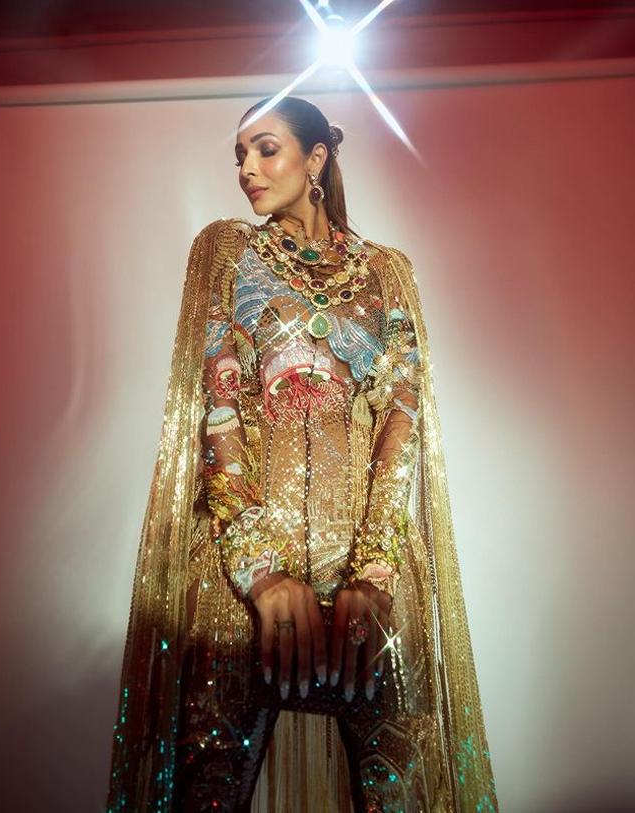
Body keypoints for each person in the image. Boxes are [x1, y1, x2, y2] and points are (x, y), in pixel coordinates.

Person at [107, 96, 498, 813]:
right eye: (239, 156)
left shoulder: (387, 272)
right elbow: (219, 408)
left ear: (316, 158)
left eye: (265, 149)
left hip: (368, 579)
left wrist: (374, 574)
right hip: (242, 581)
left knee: (405, 794)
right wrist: (261, 575)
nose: (246, 170)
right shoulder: (228, 251)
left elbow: (401, 422)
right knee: (203, 795)